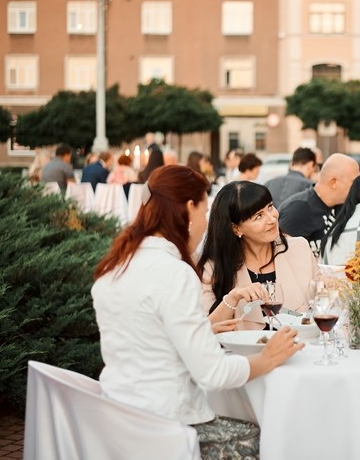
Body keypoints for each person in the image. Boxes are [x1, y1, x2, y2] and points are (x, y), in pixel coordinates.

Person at [92, 165, 303, 458]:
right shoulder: (175, 273)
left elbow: (144, 337)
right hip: (166, 423)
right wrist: (266, 360)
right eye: (204, 212)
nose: (205, 223)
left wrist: (204, 331)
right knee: (270, 438)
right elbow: (213, 375)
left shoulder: (115, 265)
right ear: (190, 208)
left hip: (118, 413)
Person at [197, 181, 319, 329]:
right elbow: (205, 331)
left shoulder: (299, 248)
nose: (272, 219)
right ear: (236, 229)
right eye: (259, 216)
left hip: (301, 346)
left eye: (270, 207)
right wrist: (232, 298)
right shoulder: (214, 267)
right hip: (245, 352)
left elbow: (321, 304)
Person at [278, 153, 360, 254]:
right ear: (333, 182)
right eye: (354, 182)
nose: (357, 187)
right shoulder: (297, 210)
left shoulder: (344, 207)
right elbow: (283, 256)